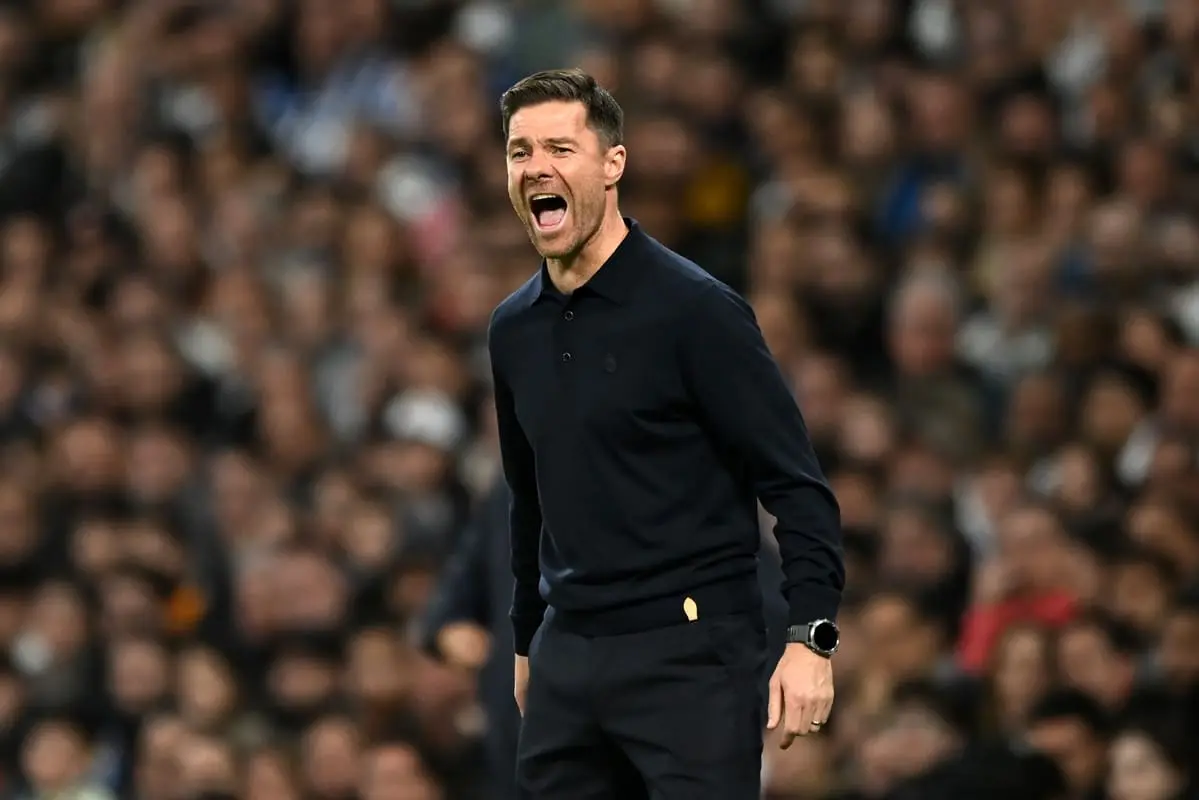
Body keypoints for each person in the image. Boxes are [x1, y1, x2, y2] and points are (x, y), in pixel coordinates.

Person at [487, 68, 845, 798]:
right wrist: (527, 640)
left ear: (612, 164)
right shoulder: (512, 329)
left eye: (560, 148)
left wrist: (810, 636)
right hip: (568, 654)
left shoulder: (695, 310)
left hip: (691, 653)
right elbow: (530, 499)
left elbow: (794, 484)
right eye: (521, 151)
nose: (536, 167)